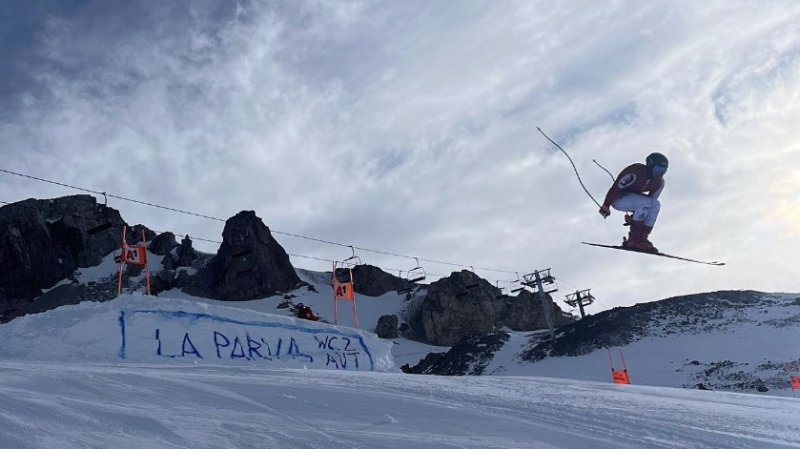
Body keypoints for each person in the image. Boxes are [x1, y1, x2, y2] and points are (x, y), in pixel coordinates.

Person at [598, 152, 668, 253]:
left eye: (663, 171)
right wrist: (606, 205)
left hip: (636, 200)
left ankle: (642, 237)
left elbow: (651, 202)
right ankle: (634, 239)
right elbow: (615, 188)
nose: (660, 173)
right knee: (646, 202)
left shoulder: (659, 182)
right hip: (619, 199)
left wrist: (636, 216)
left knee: (656, 204)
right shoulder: (635, 172)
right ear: (650, 166)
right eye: (658, 169)